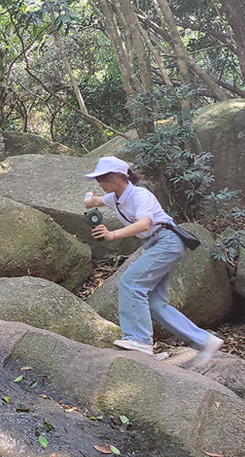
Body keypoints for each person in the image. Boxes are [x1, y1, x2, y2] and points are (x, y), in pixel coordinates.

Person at [84, 156, 223, 368]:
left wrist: (112, 235)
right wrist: (89, 199)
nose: (99, 183)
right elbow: (94, 202)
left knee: (131, 284)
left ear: (117, 177)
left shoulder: (141, 195)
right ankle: (205, 341)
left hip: (167, 242)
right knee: (156, 303)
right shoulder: (114, 198)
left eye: (102, 178)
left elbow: (143, 224)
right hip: (156, 244)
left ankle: (139, 339)